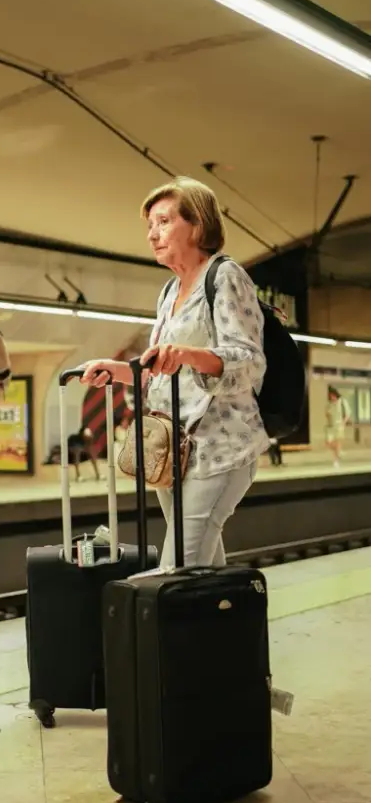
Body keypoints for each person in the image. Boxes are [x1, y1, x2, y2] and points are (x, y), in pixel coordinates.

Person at [81, 176, 268, 568]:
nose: (152, 234)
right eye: (150, 225)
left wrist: (189, 354)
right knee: (204, 569)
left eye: (164, 221)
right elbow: (161, 370)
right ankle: (226, 627)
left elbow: (249, 362)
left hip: (220, 448)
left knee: (177, 569)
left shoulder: (225, 276)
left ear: (197, 225)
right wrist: (118, 370)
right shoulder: (169, 291)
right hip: (170, 450)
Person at [324, 386, 351, 468]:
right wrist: (327, 415)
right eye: (330, 396)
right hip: (330, 427)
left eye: (333, 395)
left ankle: (336, 461)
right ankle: (339, 452)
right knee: (328, 443)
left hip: (339, 425)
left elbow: (348, 414)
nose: (332, 397)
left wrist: (343, 423)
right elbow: (327, 414)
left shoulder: (342, 402)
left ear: (336, 394)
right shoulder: (329, 404)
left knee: (337, 443)